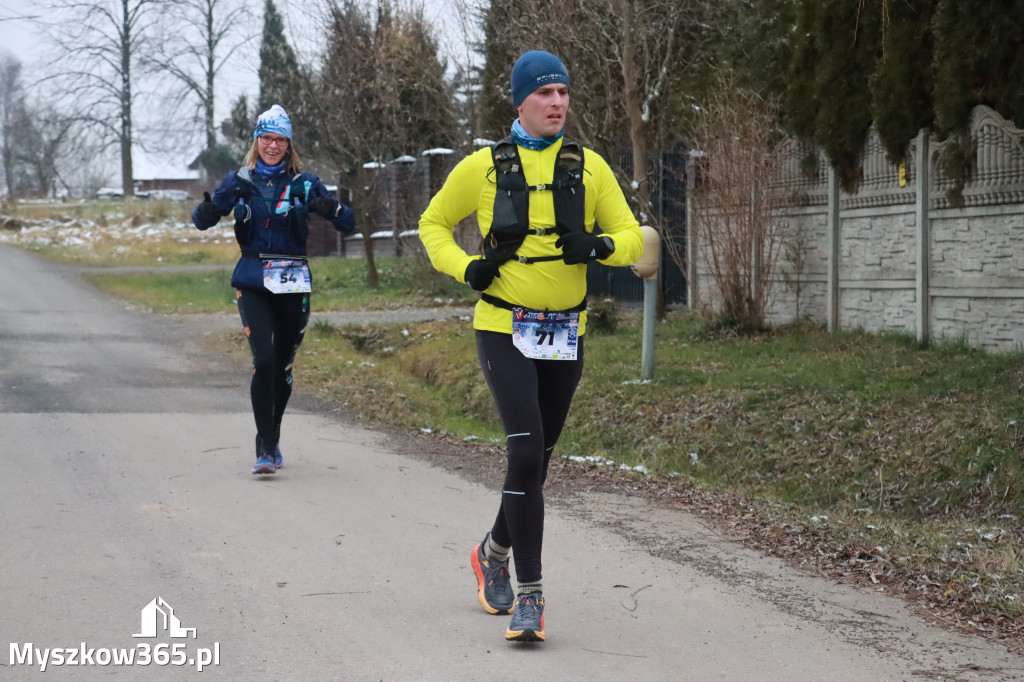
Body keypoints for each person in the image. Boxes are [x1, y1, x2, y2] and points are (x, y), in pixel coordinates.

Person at [418, 50, 643, 642]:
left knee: (537, 461)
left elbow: (630, 240)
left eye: (564, 93)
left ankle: (491, 551)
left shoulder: (590, 167)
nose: (558, 103)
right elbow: (431, 225)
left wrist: (595, 248)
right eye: (545, 94)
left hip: (565, 331)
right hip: (502, 326)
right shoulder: (483, 167)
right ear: (520, 102)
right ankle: (531, 598)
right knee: (525, 451)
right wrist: (466, 267)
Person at [192, 104, 355, 475]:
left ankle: (273, 435)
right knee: (263, 360)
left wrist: (328, 206)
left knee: (282, 365)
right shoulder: (240, 180)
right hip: (251, 277)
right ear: (256, 141)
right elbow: (203, 219)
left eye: (280, 139)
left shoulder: (305, 182)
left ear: (288, 144)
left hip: (292, 280)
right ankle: (264, 447)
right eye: (267, 138)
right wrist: (208, 210)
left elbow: (350, 223)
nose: (273, 145)